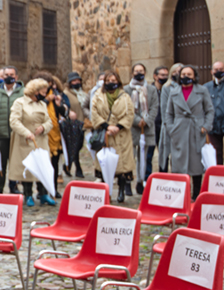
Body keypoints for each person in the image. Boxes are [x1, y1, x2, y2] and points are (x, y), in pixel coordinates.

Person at [164, 66, 214, 199]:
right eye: (183, 74)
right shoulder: (174, 92)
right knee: (178, 162)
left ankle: (196, 195)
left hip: (196, 130)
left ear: (194, 76)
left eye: (189, 74)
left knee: (196, 163)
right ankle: (180, 196)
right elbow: (168, 113)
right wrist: (171, 128)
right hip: (179, 131)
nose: (186, 76)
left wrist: (206, 126)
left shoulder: (202, 90)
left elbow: (209, 110)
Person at [91, 71, 137, 202]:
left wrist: (118, 126)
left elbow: (130, 114)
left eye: (114, 80)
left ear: (118, 81)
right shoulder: (97, 96)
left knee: (122, 165)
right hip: (106, 134)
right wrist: (106, 126)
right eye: (108, 80)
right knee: (106, 164)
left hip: (121, 134)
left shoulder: (125, 96)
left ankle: (121, 191)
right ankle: (107, 192)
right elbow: (94, 114)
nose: (111, 82)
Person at [8, 79, 54, 207]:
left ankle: (44, 194)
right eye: (42, 92)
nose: (44, 95)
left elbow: (49, 121)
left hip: (41, 140)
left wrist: (43, 127)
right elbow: (14, 121)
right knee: (27, 168)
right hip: (26, 140)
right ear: (35, 91)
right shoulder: (19, 103)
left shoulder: (42, 105)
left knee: (42, 167)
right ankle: (28, 195)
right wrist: (26, 132)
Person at [125, 63, 158, 195]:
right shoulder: (127, 89)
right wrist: (137, 121)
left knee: (144, 157)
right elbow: (126, 108)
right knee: (130, 157)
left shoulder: (151, 89)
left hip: (147, 128)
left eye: (141, 70)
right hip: (132, 128)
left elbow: (155, 106)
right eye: (136, 71)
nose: (139, 73)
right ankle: (127, 182)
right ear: (132, 73)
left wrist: (147, 120)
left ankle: (141, 181)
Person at [0, 66, 24, 195]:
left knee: (15, 163)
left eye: (12, 74)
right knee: (0, 163)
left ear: (16, 76)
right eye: (6, 74)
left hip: (16, 134)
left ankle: (14, 186)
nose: (9, 77)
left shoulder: (23, 92)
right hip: (0, 133)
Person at [157, 63, 183, 172]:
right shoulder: (166, 88)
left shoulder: (186, 88)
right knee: (166, 154)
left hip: (182, 125)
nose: (177, 74)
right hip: (169, 126)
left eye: (179, 71)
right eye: (175, 72)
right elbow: (164, 109)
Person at [63, 72, 87, 178]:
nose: (76, 82)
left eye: (78, 80)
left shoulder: (83, 93)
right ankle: (78, 169)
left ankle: (67, 165)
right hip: (72, 124)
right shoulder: (66, 93)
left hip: (82, 123)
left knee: (79, 145)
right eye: (74, 81)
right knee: (75, 146)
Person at [151, 66, 169, 171]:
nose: (165, 77)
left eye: (166, 75)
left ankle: (164, 175)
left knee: (164, 154)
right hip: (153, 126)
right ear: (155, 76)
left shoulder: (168, 90)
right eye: (162, 75)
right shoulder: (150, 90)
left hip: (165, 126)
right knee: (149, 154)